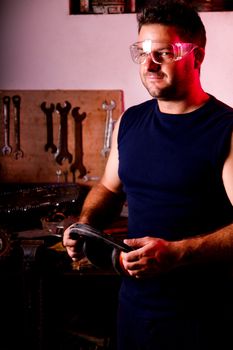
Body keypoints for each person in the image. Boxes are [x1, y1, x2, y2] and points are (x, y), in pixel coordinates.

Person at [63, 1, 233, 349]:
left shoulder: (226, 130)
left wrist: (179, 252)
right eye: (142, 52)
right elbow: (109, 190)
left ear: (196, 57)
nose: (149, 64)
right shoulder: (131, 121)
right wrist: (85, 225)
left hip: (204, 319)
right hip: (135, 312)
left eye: (164, 53)